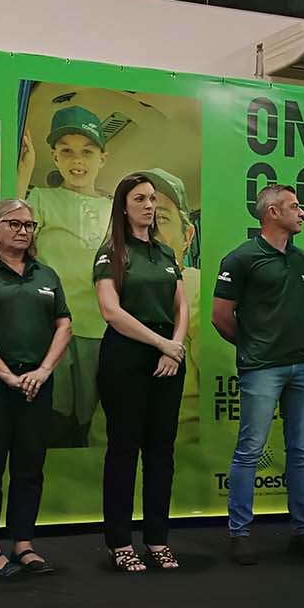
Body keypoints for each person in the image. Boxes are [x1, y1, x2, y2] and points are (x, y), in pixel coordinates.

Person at [0, 199, 73, 578]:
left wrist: (42, 370)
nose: (23, 231)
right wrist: (7, 376)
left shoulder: (46, 275)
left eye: (29, 225)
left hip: (36, 384)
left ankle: (23, 545)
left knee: (30, 467)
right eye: (14, 224)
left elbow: (64, 327)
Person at [213, 183, 304, 564]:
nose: (302, 212)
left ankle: (303, 530)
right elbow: (221, 316)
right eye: (295, 206)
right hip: (262, 367)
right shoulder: (240, 259)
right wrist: (252, 348)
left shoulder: (302, 259)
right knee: (250, 450)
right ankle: (239, 533)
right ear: (272, 212)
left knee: (302, 453)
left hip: (302, 365)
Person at [95, 173, 188, 571]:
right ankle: (120, 543)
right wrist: (160, 343)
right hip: (126, 359)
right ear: (124, 205)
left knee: (161, 453)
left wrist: (175, 347)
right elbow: (111, 312)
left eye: (152, 199)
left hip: (168, 360)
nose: (149, 205)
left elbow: (181, 305)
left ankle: (157, 540)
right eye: (140, 199)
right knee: (123, 450)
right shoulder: (111, 252)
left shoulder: (166, 254)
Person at [17, 101, 112, 446]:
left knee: (95, 416)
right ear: (54, 157)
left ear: (103, 157)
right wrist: (25, 172)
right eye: (67, 151)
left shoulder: (115, 208)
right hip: (51, 325)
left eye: (87, 151)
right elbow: (11, 227)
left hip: (100, 328)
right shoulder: (41, 198)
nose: (77, 160)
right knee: (53, 415)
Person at [144, 167, 200, 442]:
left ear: (187, 236)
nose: (148, 226)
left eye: (161, 217)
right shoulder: (107, 286)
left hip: (177, 444)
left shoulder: (196, 287)